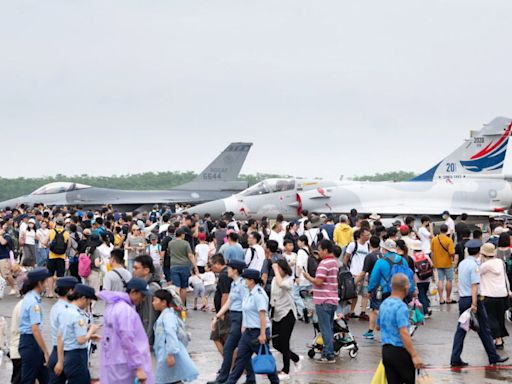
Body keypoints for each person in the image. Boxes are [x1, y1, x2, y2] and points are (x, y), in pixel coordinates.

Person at [450, 239, 509, 367]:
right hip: (472, 299)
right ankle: (493, 357)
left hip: (463, 299)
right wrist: (475, 304)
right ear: (479, 252)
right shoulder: (475, 266)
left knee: (465, 330)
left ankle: (456, 357)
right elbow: (475, 286)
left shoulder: (463, 264)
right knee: (483, 329)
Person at [225, 269, 279, 384]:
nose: (244, 281)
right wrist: (244, 326)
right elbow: (246, 311)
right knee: (240, 359)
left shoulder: (259, 294)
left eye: (245, 279)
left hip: (258, 332)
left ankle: (275, 382)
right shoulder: (249, 293)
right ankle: (230, 381)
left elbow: (262, 316)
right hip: (248, 332)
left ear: (251, 281)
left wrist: (263, 334)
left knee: (265, 359)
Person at [98, 278, 155, 384]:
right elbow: (127, 340)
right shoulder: (126, 311)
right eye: (142, 296)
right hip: (124, 365)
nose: (142, 299)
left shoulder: (113, 306)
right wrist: (138, 367)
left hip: (113, 361)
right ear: (133, 292)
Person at [208, 260, 255, 384]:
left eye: (229, 268)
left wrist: (244, 324)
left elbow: (246, 304)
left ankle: (223, 378)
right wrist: (217, 317)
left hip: (240, 318)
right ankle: (250, 378)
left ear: (235, 270)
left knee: (229, 348)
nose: (227, 270)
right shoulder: (234, 284)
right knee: (243, 350)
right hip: (234, 317)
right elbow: (230, 302)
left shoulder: (242, 285)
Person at [377, 273, 423, 384]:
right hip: (399, 351)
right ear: (406, 288)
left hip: (386, 351)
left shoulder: (384, 303)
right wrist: (414, 355)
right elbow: (403, 332)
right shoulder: (401, 306)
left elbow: (377, 326)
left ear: (391, 286)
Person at [54, 284, 100, 384]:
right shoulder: (77, 315)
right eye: (89, 301)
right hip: (77, 356)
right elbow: (81, 340)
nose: (89, 304)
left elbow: (61, 336)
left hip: (68, 354)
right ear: (83, 298)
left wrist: (60, 361)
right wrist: (92, 330)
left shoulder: (65, 311)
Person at [303, 239, 339, 363]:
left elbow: (319, 281)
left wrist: (308, 277)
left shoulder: (324, 263)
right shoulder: (334, 262)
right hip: (332, 299)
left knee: (325, 329)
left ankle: (328, 355)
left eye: (320, 249)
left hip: (323, 300)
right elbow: (327, 282)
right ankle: (328, 352)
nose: (318, 252)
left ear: (325, 250)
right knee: (329, 328)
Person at [152, 289, 199, 384]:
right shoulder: (166, 315)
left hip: (168, 353)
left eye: (155, 300)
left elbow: (171, 334)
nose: (153, 303)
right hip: (165, 353)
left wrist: (170, 354)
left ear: (164, 302)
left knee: (169, 380)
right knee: (172, 379)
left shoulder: (168, 316)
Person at [18, 267, 51, 384]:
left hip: (31, 343)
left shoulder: (31, 297)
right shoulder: (33, 302)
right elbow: (35, 329)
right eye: (45, 281)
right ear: (39, 283)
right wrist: (46, 351)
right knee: (28, 379)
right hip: (31, 342)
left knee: (45, 377)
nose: (47, 284)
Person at [271, 259, 302, 380]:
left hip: (288, 314)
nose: (278, 271)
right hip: (277, 313)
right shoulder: (274, 279)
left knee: (284, 342)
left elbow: (281, 284)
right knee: (276, 343)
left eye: (280, 269)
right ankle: (296, 358)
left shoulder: (289, 280)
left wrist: (275, 269)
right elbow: (273, 295)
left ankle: (286, 370)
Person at [479, 243, 511, 349]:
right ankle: (500, 339)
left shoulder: (484, 266)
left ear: (483, 253)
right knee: (500, 317)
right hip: (502, 293)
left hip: (489, 294)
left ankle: (497, 340)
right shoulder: (500, 262)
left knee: (491, 318)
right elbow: (505, 276)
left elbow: (476, 272)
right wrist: (508, 290)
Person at [48, 276, 79, 384]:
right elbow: (61, 336)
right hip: (63, 353)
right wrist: (61, 361)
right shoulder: (65, 310)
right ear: (70, 291)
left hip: (57, 352)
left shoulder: (57, 307)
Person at [355, 235, 382, 339]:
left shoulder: (369, 256)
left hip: (374, 285)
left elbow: (363, 272)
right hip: (384, 284)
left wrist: (355, 281)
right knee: (381, 306)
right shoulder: (383, 255)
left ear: (370, 244)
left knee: (374, 308)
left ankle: (371, 331)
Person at [132, 255, 161, 345]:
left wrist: (146, 341)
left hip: (146, 340)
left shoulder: (151, 289)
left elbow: (151, 317)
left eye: (136, 268)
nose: (133, 271)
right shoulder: (142, 285)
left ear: (146, 270)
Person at [168, 228, 199, 306]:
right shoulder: (186, 243)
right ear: (182, 235)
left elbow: (169, 253)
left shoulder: (171, 243)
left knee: (177, 286)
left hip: (174, 266)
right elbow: (190, 255)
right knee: (184, 287)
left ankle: (176, 304)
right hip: (184, 266)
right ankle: (182, 305)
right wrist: (195, 267)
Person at [344, 228, 370, 319]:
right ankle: (350, 311)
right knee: (353, 294)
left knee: (365, 294)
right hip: (354, 273)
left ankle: (363, 312)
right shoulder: (353, 244)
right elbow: (346, 257)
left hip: (365, 273)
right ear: (361, 235)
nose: (368, 237)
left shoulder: (368, 245)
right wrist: (345, 269)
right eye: (366, 235)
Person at [210, 254, 232, 355]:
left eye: (212, 265)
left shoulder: (224, 275)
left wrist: (222, 312)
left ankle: (228, 363)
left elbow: (225, 295)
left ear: (218, 264)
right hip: (223, 312)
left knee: (218, 336)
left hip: (224, 313)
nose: (212, 268)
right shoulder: (225, 273)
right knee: (219, 337)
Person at [431, 224, 457, 304]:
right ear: (447, 230)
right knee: (449, 280)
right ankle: (448, 298)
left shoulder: (434, 239)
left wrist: (433, 262)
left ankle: (441, 298)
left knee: (440, 280)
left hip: (438, 263)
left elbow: (432, 252)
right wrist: (453, 259)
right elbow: (452, 252)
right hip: (447, 263)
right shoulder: (449, 240)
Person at [47, 218, 70, 299]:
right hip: (61, 256)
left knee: (50, 274)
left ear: (55, 223)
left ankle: (50, 292)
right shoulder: (66, 233)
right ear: (63, 224)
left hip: (52, 256)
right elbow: (68, 245)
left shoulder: (51, 232)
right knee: (60, 275)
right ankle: (58, 293)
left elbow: (45, 242)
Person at [410, 240, 433, 317]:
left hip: (418, 279)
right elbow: (431, 265)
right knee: (424, 293)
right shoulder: (426, 256)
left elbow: (412, 269)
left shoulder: (412, 258)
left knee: (421, 295)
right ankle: (428, 307)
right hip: (427, 278)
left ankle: (426, 311)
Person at [0, 220, 17, 295]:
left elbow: (3, 242)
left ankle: (13, 288)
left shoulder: (6, 235)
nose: (6, 226)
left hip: (4, 257)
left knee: (6, 274)